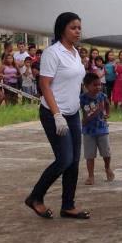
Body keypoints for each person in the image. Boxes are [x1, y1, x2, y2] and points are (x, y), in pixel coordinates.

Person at [25, 12, 90, 221]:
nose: (78, 31)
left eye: (79, 28)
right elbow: (44, 84)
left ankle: (68, 205)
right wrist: (56, 114)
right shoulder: (53, 53)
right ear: (62, 29)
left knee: (74, 161)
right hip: (54, 113)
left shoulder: (75, 53)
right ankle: (35, 197)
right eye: (73, 28)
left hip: (72, 113)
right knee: (64, 159)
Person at [80, 72, 113, 185]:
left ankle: (107, 168)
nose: (98, 87)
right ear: (86, 86)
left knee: (106, 152)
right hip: (88, 130)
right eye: (95, 85)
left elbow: (107, 104)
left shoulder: (102, 96)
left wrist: (107, 113)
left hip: (102, 129)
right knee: (89, 155)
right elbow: (85, 119)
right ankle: (91, 176)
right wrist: (97, 110)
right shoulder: (83, 98)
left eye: (99, 84)